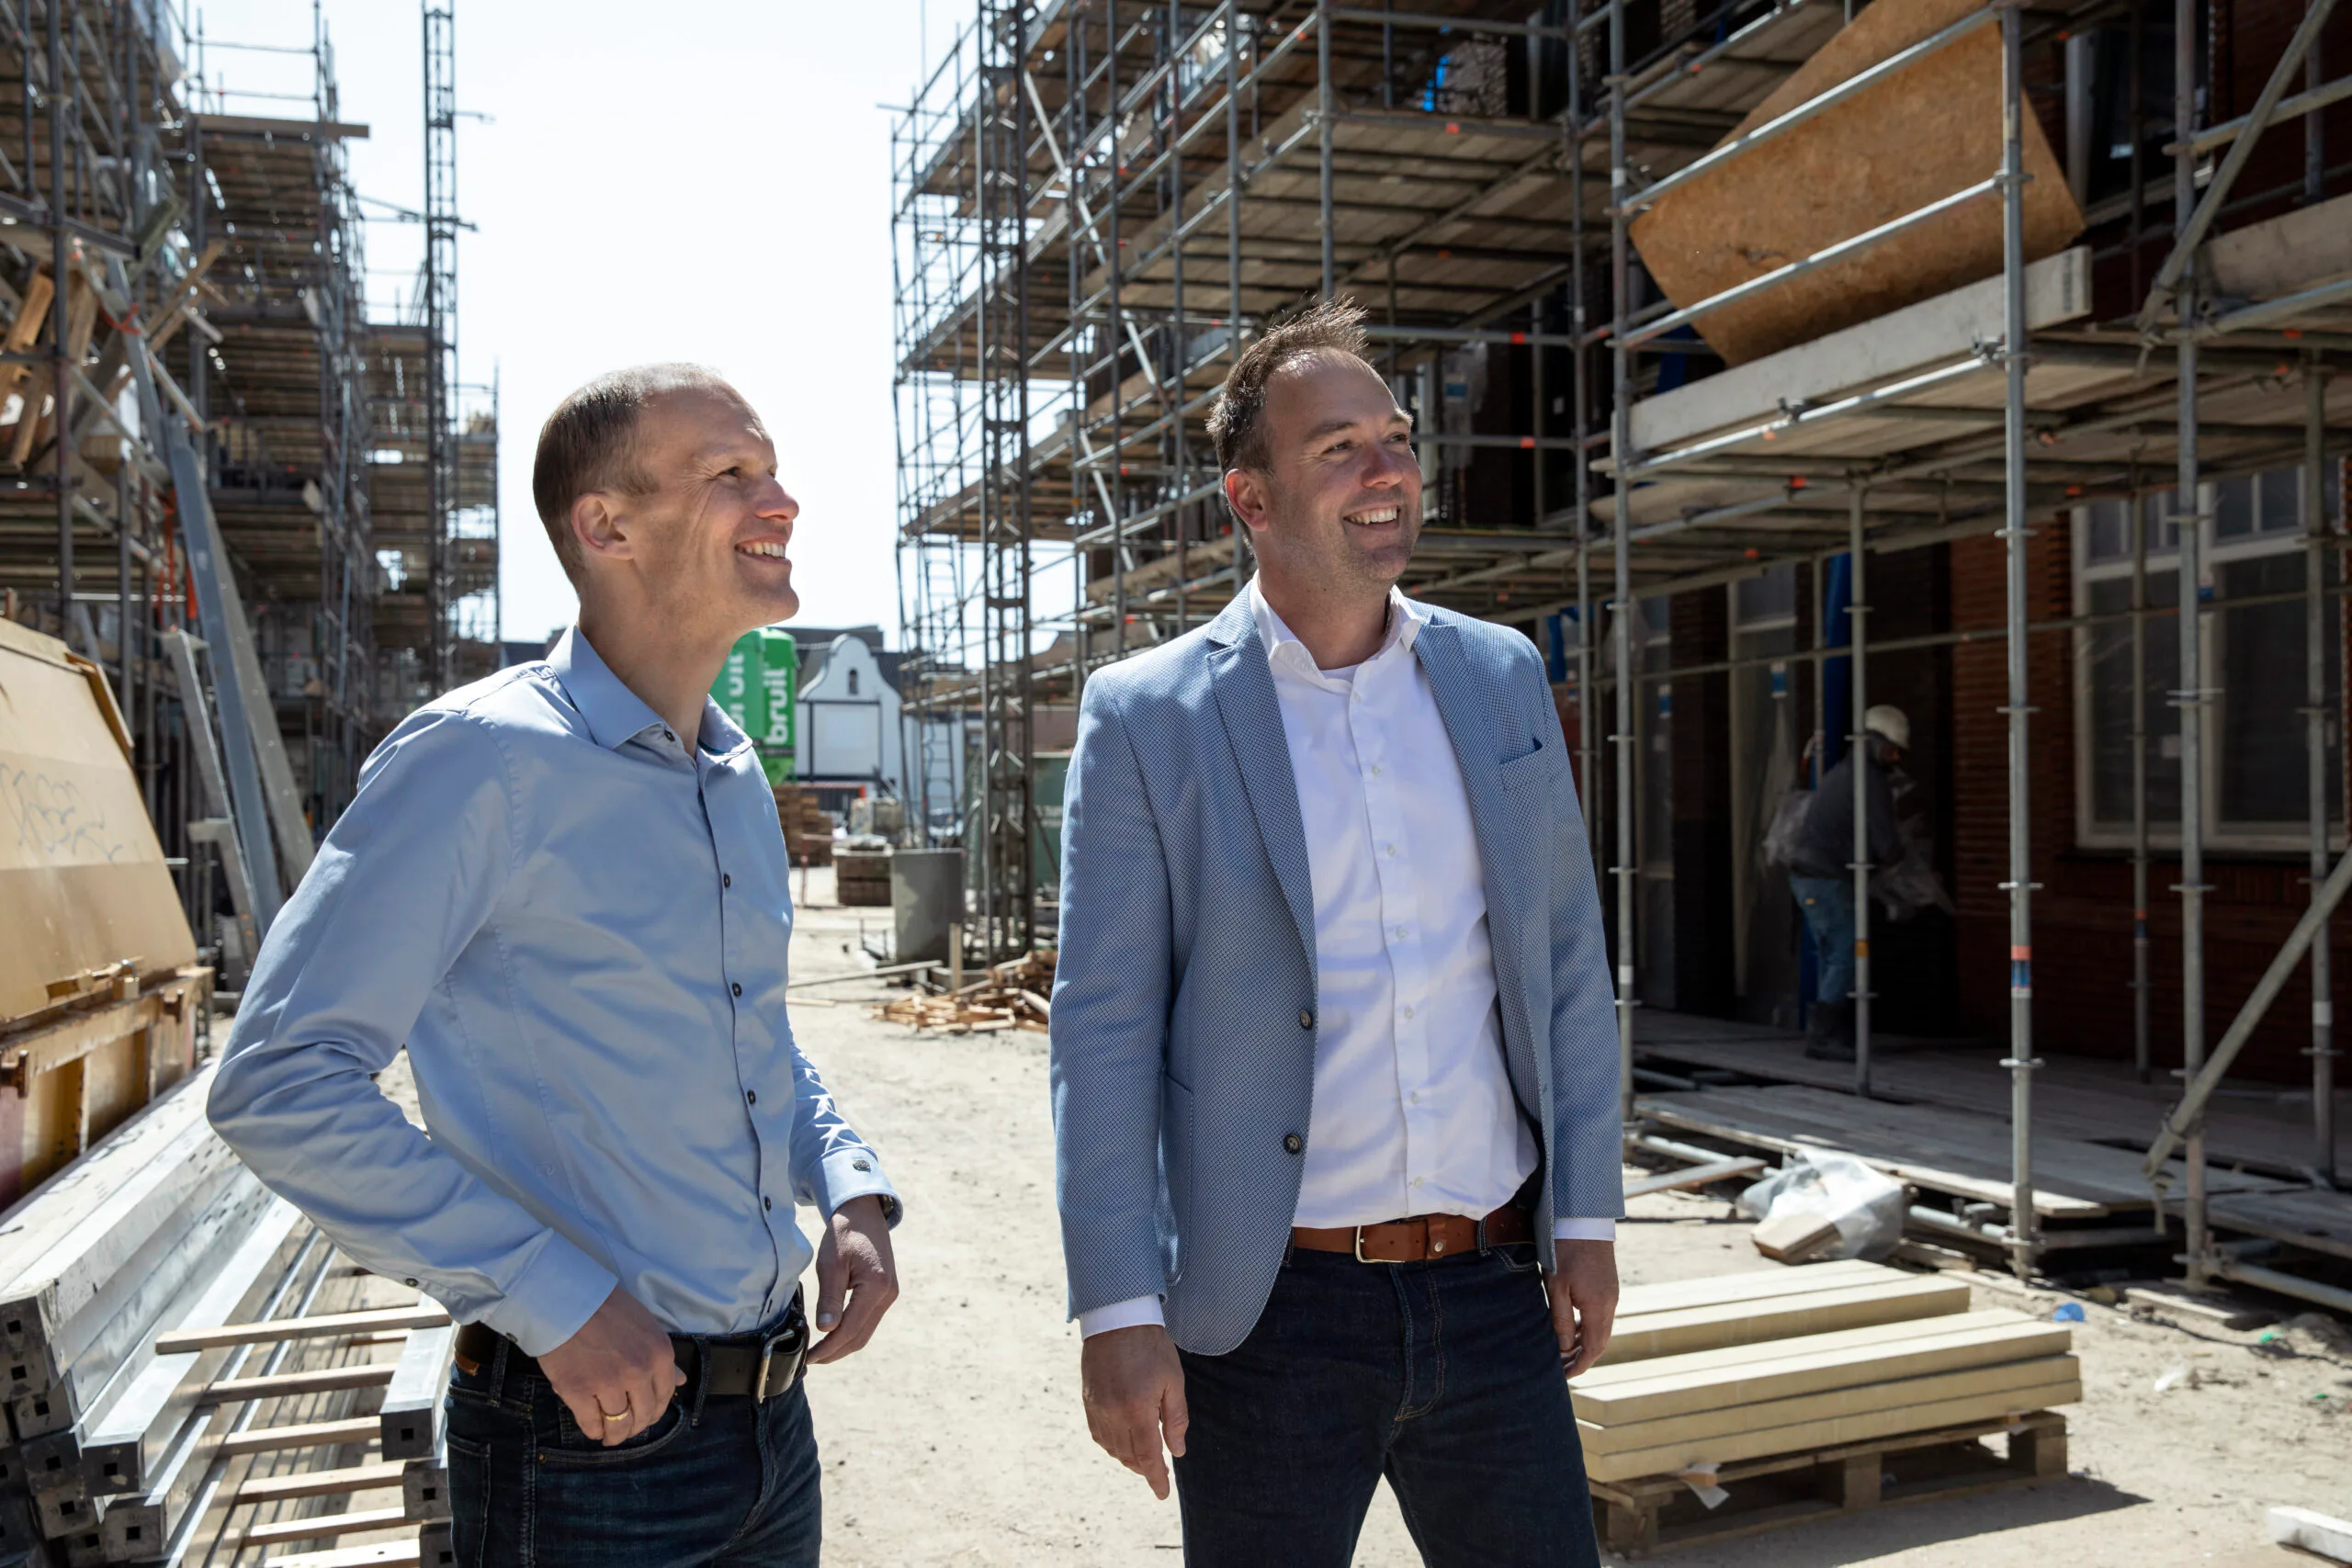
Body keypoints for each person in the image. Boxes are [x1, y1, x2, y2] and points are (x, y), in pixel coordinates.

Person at [207, 364, 902, 1568]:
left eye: (773, 468)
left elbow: (747, 1030)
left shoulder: (730, 774)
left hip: (773, 1430)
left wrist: (845, 1182)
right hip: (587, 1443)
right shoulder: (482, 760)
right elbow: (278, 1079)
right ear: (607, 524)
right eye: (732, 473)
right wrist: (550, 1292)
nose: (780, 499)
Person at [1048, 298, 1621, 1568]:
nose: (1389, 470)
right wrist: (1117, 1304)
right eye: (1340, 447)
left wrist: (1587, 1216)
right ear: (1252, 502)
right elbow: (1101, 1027)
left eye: (1397, 436)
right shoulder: (1149, 716)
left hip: (1490, 1288)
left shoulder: (1500, 676)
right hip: (1267, 1311)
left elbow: (1566, 962)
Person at [1787, 703, 1913, 1062]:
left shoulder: (1845, 771)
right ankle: (1823, 1037)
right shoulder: (1868, 779)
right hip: (1825, 878)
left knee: (1834, 953)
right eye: (1891, 750)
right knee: (1846, 953)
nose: (1894, 759)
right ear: (1875, 743)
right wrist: (1899, 857)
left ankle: (1832, 1031)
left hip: (1814, 876)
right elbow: (1885, 841)